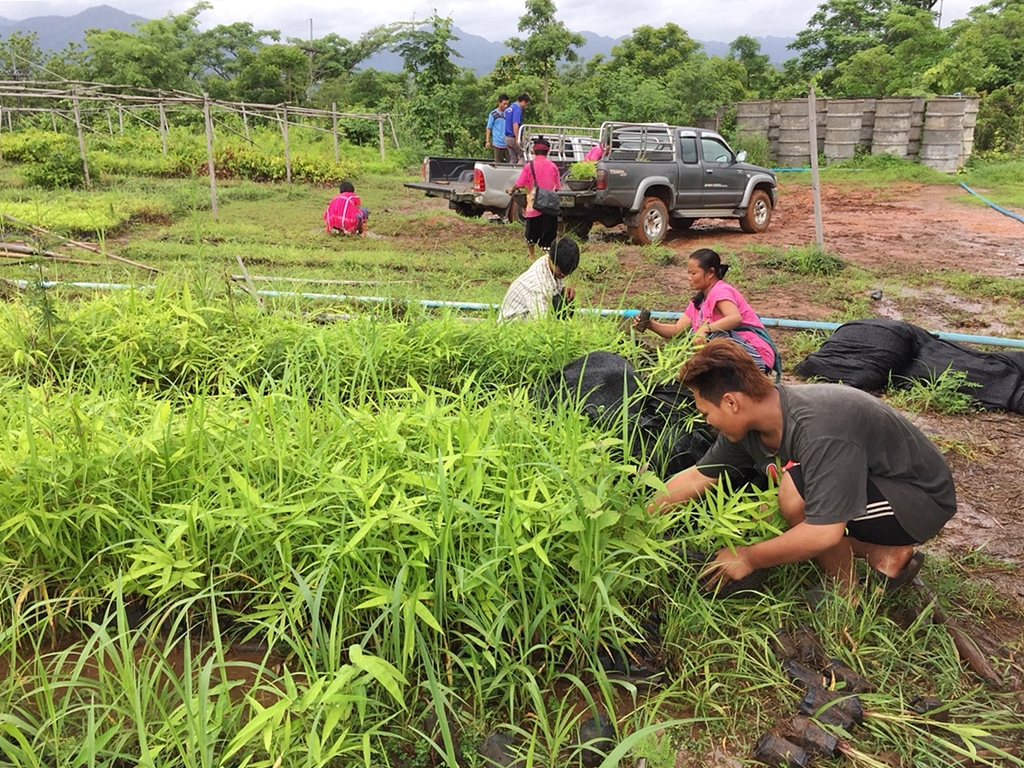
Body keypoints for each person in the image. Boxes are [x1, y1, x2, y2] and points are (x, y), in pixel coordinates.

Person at [649, 338, 957, 594]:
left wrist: (748, 557)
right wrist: (639, 514)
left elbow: (822, 533)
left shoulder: (818, 430)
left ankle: (845, 596)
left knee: (799, 498)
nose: (707, 422)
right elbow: (700, 475)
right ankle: (883, 553)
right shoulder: (753, 424)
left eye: (705, 413)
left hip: (918, 497)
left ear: (731, 402)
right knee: (797, 489)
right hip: (875, 479)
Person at [634, 248, 775, 374]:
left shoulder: (721, 290)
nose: (689, 278)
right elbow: (676, 330)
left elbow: (734, 318)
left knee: (711, 335)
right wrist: (650, 324)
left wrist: (705, 329)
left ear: (711, 273)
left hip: (756, 357)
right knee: (691, 334)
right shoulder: (698, 302)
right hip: (734, 356)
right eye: (688, 273)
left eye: (693, 273)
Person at [498, 238, 579, 323]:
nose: (563, 275)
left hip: (529, 313)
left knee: (565, 299)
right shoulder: (537, 284)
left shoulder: (548, 260)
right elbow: (541, 322)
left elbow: (553, 287)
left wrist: (564, 289)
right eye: (561, 272)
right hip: (513, 324)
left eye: (567, 273)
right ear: (552, 260)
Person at [508, 136, 560, 260]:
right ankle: (547, 257)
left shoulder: (529, 166)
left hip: (533, 206)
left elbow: (519, 183)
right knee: (548, 234)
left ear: (534, 151)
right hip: (549, 207)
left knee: (531, 232)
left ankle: (531, 256)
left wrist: (511, 190)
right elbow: (557, 187)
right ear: (547, 152)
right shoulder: (553, 166)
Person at [504, 93, 530, 164]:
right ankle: (519, 173)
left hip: (507, 138)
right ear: (523, 101)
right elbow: (515, 124)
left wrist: (524, 135)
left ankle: (510, 173)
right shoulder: (517, 109)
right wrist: (517, 138)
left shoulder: (510, 107)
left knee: (513, 159)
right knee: (524, 156)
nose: (526, 106)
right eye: (526, 104)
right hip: (513, 138)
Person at [486, 94, 510, 163]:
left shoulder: (509, 113)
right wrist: (487, 141)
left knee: (510, 163)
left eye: (507, 104)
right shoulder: (493, 114)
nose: (506, 106)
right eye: (504, 104)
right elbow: (489, 128)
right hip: (497, 143)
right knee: (498, 163)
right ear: (499, 103)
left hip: (507, 143)